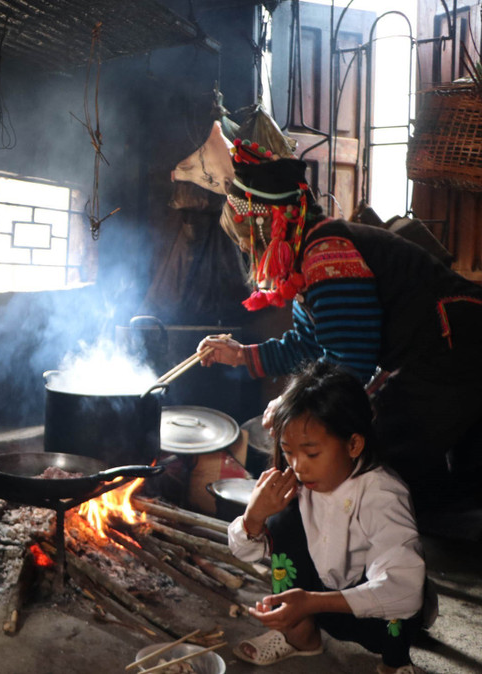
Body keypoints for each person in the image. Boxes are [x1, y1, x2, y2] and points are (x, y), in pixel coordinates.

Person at [197, 143, 482, 520]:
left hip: (454, 344)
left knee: (388, 441)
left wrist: (291, 403)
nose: (247, 246)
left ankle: (423, 551)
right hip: (438, 349)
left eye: (248, 235)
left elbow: (350, 362)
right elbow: (310, 343)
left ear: (270, 223)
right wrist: (243, 354)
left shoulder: (328, 253)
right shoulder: (306, 257)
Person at [228, 360, 433, 674]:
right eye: (288, 451)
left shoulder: (382, 494)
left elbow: (402, 591)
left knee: (400, 602)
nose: (298, 466)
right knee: (281, 521)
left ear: (353, 444)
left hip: (377, 617)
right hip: (315, 600)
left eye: (311, 453)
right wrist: (254, 515)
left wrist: (312, 602)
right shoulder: (295, 483)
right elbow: (245, 551)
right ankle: (301, 638)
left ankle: (396, 664)